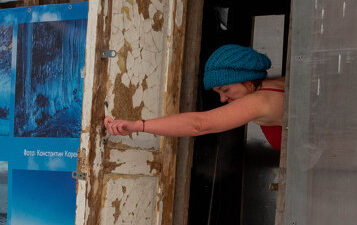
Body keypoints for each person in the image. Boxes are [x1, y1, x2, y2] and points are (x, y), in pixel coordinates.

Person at [104, 44, 285, 149]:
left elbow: (199, 125)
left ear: (246, 79)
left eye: (225, 89)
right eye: (219, 93)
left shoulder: (259, 102)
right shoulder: (281, 83)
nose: (222, 99)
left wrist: (139, 126)